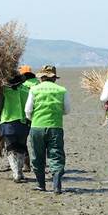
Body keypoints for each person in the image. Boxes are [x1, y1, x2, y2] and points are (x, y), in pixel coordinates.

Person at [24, 65, 70, 194]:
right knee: (56, 155)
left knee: (37, 157)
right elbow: (67, 110)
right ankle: (57, 186)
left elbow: (28, 110)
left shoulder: (34, 89)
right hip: (56, 127)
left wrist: (34, 118)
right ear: (54, 78)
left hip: (37, 127)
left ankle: (41, 185)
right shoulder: (62, 90)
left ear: (41, 77)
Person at [0, 73, 30, 182]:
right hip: (23, 124)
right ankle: (20, 172)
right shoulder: (26, 91)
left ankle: (16, 173)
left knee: (11, 148)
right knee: (21, 148)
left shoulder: (3, 92)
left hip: (8, 124)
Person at [18, 64, 39, 172]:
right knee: (37, 142)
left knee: (23, 141)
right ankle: (40, 164)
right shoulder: (38, 83)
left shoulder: (24, 85)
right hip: (38, 116)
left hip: (26, 116)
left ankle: (26, 164)